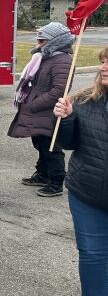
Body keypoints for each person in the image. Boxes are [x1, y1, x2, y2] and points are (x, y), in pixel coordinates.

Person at [53, 47, 108, 296]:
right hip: (87, 193)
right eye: (102, 62)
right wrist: (66, 119)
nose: (102, 67)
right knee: (93, 255)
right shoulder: (84, 100)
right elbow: (69, 143)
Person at [8, 22, 74, 197]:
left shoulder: (62, 60)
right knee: (40, 143)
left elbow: (59, 90)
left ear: (54, 41)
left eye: (42, 40)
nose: (38, 42)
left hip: (48, 111)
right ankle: (43, 174)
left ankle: (56, 181)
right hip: (38, 111)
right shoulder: (44, 57)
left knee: (51, 146)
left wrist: (34, 104)